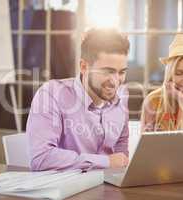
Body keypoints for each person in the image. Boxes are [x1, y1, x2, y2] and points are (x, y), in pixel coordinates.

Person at [27, 28, 130, 171]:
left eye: (122, 72)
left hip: (107, 188)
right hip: (65, 189)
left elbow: (121, 157)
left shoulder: (121, 99)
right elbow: (41, 159)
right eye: (108, 71)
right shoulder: (51, 94)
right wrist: (105, 162)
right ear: (84, 67)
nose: (115, 81)